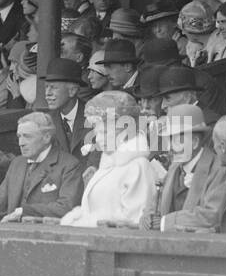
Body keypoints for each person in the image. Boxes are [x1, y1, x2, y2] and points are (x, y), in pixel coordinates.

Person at [61, 92, 162, 228]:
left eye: (104, 132)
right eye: (96, 133)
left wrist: (84, 223)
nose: (97, 139)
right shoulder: (108, 165)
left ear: (125, 130)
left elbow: (135, 221)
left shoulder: (137, 167)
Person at [0, 111, 85, 222]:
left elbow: (67, 207)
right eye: (19, 136)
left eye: (27, 136)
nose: (21, 143)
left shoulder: (69, 165)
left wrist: (23, 211)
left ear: (46, 137)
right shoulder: (17, 163)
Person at [147, 104, 226, 232]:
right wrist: (147, 217)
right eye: (168, 140)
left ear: (195, 142)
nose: (169, 147)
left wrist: (164, 223)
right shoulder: (174, 168)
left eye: (176, 141)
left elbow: (211, 216)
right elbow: (155, 205)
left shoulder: (220, 170)